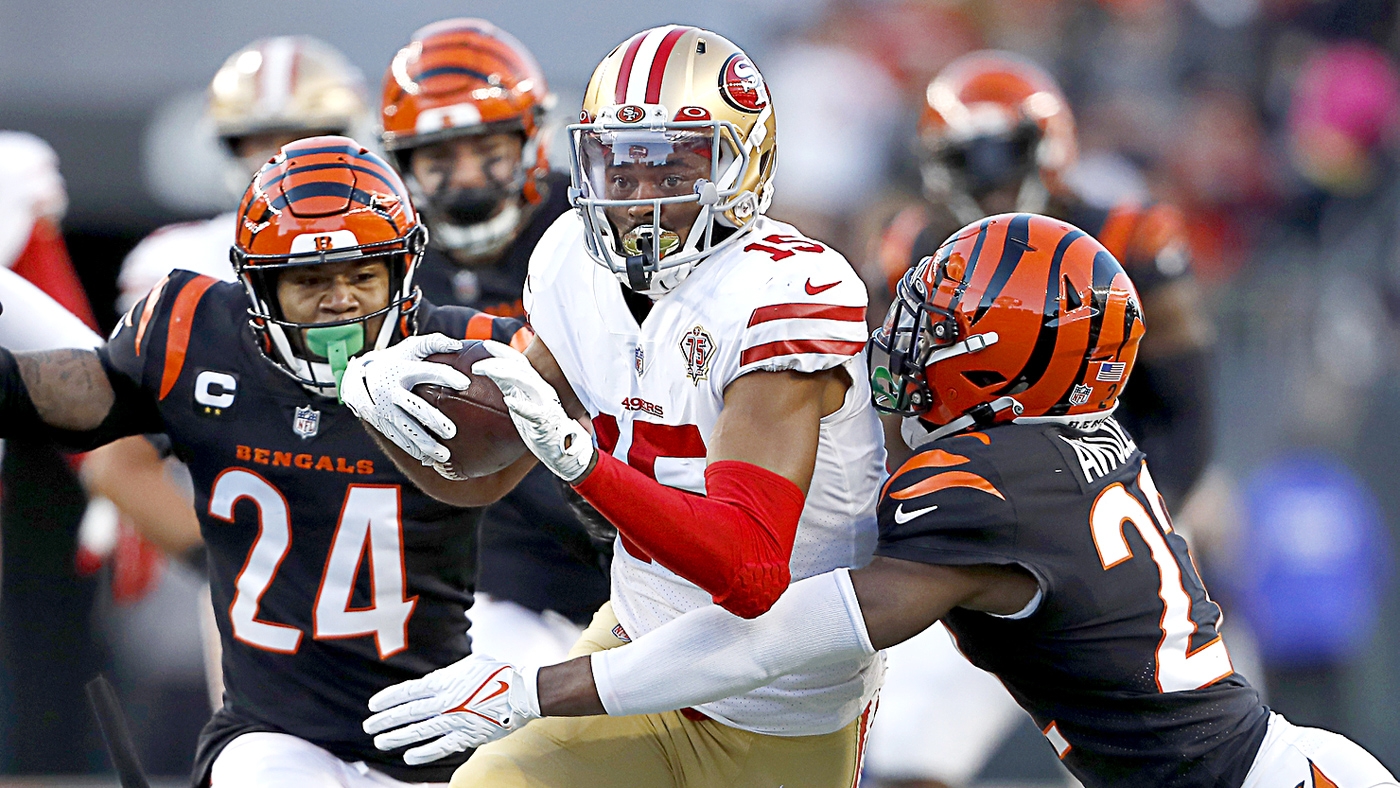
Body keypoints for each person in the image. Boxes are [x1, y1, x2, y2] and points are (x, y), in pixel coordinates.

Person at [372, 214, 1399, 788]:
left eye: (942, 324)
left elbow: (769, 636)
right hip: (1287, 762)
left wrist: (535, 689)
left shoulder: (985, 489)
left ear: (1008, 365)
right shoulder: (1076, 442)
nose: (906, 341)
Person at [343, 25, 886, 787]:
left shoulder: (786, 291)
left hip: (775, 700)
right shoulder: (572, 260)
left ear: (744, 163)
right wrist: (377, 404)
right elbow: (479, 479)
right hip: (632, 642)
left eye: (674, 166)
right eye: (620, 170)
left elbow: (750, 571)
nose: (641, 200)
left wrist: (579, 462)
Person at [0, 136, 535, 787]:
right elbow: (67, 396)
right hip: (274, 730)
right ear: (257, 283)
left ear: (403, 270)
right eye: (310, 279)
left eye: (363, 275)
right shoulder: (195, 333)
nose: (340, 300)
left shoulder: (467, 358)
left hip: (433, 727)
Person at [378, 18, 609, 664]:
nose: (469, 175)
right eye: (441, 156)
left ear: (529, 139)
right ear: (403, 163)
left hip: (627, 509)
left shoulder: (591, 227)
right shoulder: (389, 262)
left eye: (487, 149)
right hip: (497, 551)